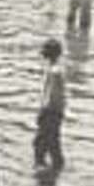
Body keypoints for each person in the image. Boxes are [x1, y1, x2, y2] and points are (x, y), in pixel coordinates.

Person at [34, 39, 66, 171]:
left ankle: (42, 170)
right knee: (52, 144)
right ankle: (54, 171)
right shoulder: (56, 70)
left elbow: (52, 95)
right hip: (55, 112)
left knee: (41, 144)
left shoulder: (53, 72)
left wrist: (42, 112)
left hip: (50, 112)